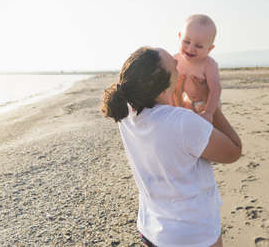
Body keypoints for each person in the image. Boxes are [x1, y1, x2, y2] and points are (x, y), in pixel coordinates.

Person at [101, 47, 242, 247]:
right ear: (162, 85)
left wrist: (175, 92)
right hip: (193, 234)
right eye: (175, 65)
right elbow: (233, 151)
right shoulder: (184, 123)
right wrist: (210, 103)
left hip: (152, 229)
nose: (179, 63)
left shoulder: (126, 113)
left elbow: (166, 123)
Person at [174, 14, 221, 123]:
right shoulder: (175, 60)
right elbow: (172, 89)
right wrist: (172, 107)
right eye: (186, 42)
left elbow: (215, 89)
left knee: (208, 128)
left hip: (207, 103)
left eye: (199, 46)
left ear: (209, 48)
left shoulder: (209, 64)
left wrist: (209, 112)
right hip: (187, 101)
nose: (191, 49)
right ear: (180, 36)